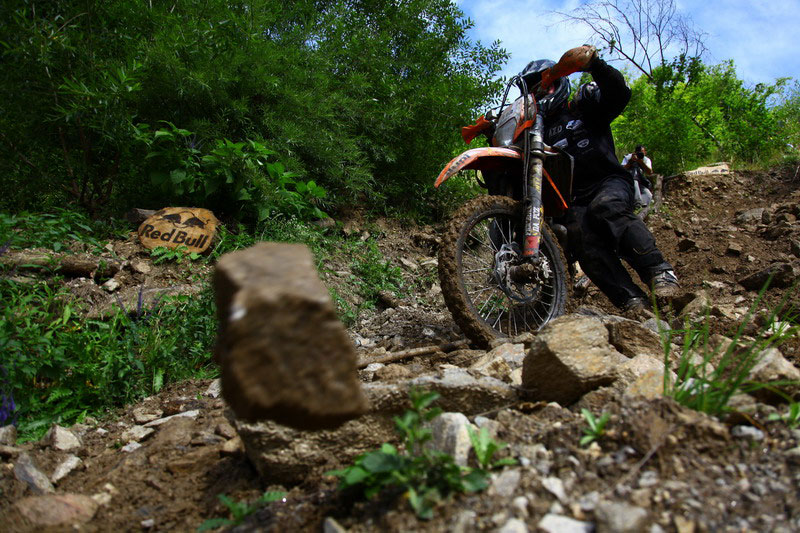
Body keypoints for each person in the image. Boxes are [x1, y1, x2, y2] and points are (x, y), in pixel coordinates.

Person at [518, 46, 679, 314]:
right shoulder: (534, 130)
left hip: (608, 180)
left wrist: (595, 65)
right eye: (533, 89)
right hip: (573, 199)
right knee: (580, 239)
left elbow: (618, 94)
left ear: (559, 82)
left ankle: (659, 271)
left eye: (544, 84)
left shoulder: (582, 105)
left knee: (606, 207)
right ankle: (632, 302)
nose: (540, 91)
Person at [621, 145, 653, 209]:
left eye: (642, 152)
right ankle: (637, 204)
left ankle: (641, 204)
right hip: (629, 180)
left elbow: (650, 172)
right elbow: (621, 170)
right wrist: (630, 161)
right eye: (639, 152)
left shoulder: (646, 160)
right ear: (635, 152)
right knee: (635, 181)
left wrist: (641, 162)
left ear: (645, 152)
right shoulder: (629, 157)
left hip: (641, 182)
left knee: (648, 195)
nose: (641, 154)